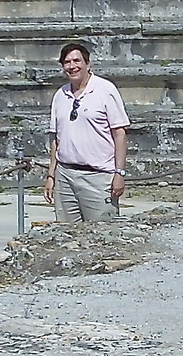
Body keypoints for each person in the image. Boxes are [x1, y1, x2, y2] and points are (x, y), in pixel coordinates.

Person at [44, 42, 129, 222]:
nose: (72, 66)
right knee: (66, 235)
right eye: (67, 62)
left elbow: (119, 134)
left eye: (77, 60)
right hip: (65, 177)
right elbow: (55, 139)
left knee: (103, 236)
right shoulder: (60, 95)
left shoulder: (105, 90)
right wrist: (51, 175)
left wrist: (119, 174)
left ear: (88, 63)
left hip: (98, 178)